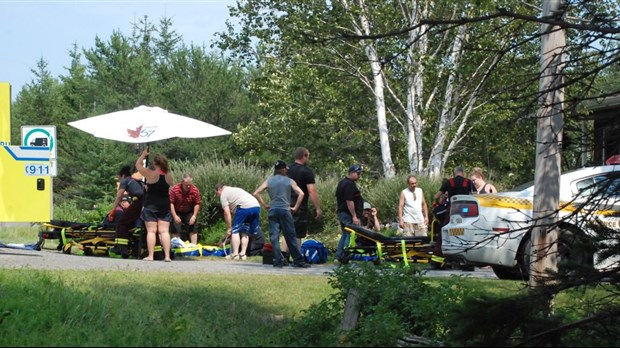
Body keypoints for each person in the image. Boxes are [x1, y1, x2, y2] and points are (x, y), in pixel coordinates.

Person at [253, 160, 309, 268]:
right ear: (283, 169)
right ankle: (298, 260)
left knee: (274, 237)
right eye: (286, 169)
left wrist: (265, 205)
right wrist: (295, 208)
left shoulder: (269, 181)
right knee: (290, 236)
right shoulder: (289, 181)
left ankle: (278, 261)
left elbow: (256, 193)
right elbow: (301, 193)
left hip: (273, 210)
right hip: (285, 210)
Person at [136, 148, 174, 262]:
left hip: (151, 205)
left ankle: (151, 256)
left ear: (154, 163)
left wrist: (143, 155)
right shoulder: (169, 176)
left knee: (151, 231)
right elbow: (165, 188)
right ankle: (167, 256)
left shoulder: (151, 174)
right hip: (164, 205)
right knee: (164, 231)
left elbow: (138, 165)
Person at [215, 183, 261, 260]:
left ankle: (235, 254)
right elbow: (233, 213)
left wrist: (229, 228)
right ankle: (243, 254)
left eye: (216, 193)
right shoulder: (234, 190)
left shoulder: (224, 194)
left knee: (235, 231)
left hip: (244, 207)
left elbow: (226, 213)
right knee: (244, 231)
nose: (217, 195)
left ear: (219, 189)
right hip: (256, 206)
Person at [287, 147, 322, 248]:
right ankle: (297, 258)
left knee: (287, 231)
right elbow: (312, 191)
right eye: (308, 157)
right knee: (298, 233)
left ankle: (284, 255)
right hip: (299, 206)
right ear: (304, 156)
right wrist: (318, 208)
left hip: (284, 203)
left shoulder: (287, 169)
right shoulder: (306, 171)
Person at [109, 165, 145, 256]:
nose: (119, 180)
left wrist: (113, 209)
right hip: (146, 203)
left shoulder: (125, 181)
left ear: (123, 176)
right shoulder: (136, 181)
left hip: (138, 203)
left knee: (122, 222)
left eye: (119, 178)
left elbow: (119, 195)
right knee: (131, 223)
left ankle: (121, 247)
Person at [335, 164, 364, 262]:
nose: (359, 176)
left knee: (345, 234)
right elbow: (349, 201)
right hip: (347, 214)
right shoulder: (349, 184)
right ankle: (345, 255)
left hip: (343, 212)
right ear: (351, 173)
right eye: (358, 173)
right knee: (349, 234)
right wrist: (354, 216)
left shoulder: (342, 182)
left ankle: (339, 255)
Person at [169, 174, 202, 245]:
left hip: (189, 211)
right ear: (182, 182)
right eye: (186, 185)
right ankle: (176, 244)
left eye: (190, 184)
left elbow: (197, 203)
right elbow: (171, 203)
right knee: (176, 227)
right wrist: (174, 216)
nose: (188, 187)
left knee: (193, 227)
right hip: (177, 211)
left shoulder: (195, 190)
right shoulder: (174, 190)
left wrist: (194, 216)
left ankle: (194, 245)